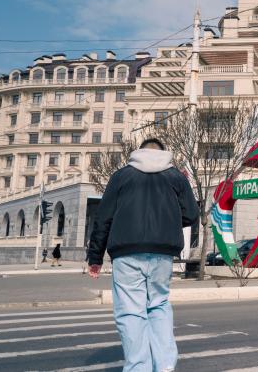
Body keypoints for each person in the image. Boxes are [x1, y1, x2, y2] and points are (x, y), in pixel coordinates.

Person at [87, 138, 199, 372]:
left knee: (131, 311)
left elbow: (103, 218)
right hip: (162, 253)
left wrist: (95, 257)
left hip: (126, 252)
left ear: (138, 152)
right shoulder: (177, 177)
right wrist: (168, 218)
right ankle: (165, 366)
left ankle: (139, 367)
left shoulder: (121, 176)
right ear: (163, 153)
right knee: (159, 306)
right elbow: (191, 215)